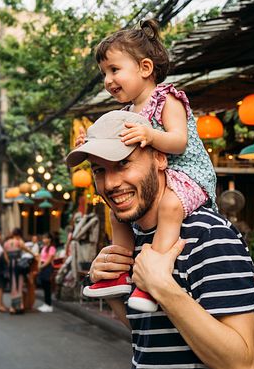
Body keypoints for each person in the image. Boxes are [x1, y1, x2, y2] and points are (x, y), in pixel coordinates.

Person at [66, 111, 254, 368]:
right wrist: (111, 286)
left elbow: (243, 363)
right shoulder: (136, 239)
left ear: (159, 158)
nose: (110, 183)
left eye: (123, 163)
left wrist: (163, 287)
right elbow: (148, 332)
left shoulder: (209, 236)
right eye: (99, 170)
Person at [79, 19, 217, 312]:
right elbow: (113, 147)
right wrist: (87, 141)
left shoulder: (168, 100)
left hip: (188, 173)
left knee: (168, 207)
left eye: (114, 70)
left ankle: (153, 277)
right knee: (116, 215)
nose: (107, 80)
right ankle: (118, 271)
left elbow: (179, 142)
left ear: (144, 68)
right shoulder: (126, 111)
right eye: (104, 73)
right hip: (162, 176)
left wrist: (151, 135)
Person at [3, 228, 33, 314]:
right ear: (19, 234)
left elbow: (5, 254)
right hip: (18, 264)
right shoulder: (19, 242)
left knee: (12, 285)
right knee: (19, 284)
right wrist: (34, 254)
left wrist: (9, 262)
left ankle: (13, 307)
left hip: (11, 265)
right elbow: (26, 249)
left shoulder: (6, 243)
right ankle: (20, 306)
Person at [37, 233, 56, 313]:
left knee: (48, 287)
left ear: (49, 239)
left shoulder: (52, 248)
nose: (43, 240)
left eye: (45, 238)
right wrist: (39, 266)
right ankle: (45, 304)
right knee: (44, 286)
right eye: (43, 238)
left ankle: (49, 305)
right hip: (42, 266)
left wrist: (42, 266)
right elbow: (40, 257)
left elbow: (49, 259)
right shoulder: (43, 247)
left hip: (47, 267)